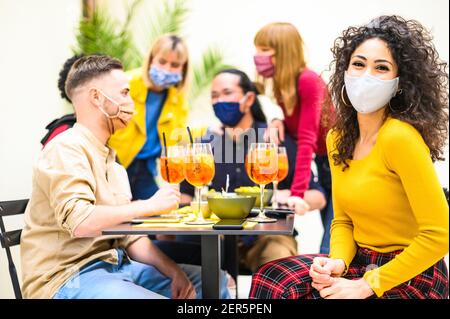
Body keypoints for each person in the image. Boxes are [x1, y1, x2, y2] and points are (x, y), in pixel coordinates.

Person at [249, 15, 449, 299]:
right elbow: (343, 221)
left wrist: (367, 285)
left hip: (411, 273)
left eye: (381, 68)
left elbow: (440, 235)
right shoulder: (337, 139)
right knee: (272, 278)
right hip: (360, 263)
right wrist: (337, 262)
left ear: (399, 83)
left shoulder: (400, 138)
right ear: (345, 71)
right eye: (358, 64)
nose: (366, 75)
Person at [20, 55, 230, 299]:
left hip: (117, 266)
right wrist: (147, 206)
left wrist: (173, 272)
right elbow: (80, 222)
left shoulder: (113, 161)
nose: (132, 103)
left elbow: (128, 236)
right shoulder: (65, 148)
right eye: (124, 93)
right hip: (68, 277)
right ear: (97, 98)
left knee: (212, 281)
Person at [177, 69, 327, 272]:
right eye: (214, 96)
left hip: (265, 239)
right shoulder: (205, 145)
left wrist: (285, 195)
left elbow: (319, 196)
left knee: (278, 256)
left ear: (248, 99)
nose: (219, 100)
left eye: (227, 93)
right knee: (181, 256)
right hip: (214, 240)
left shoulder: (274, 138)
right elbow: (186, 196)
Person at [253, 22, 335, 253]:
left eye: (264, 50)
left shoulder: (308, 81)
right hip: (324, 164)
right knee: (332, 241)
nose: (257, 56)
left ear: (283, 52)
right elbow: (297, 128)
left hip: (341, 163)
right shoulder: (284, 86)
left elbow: (307, 140)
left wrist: (297, 194)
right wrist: (278, 121)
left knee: (332, 245)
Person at [108, 34, 197, 201]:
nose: (167, 69)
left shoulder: (178, 100)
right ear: (151, 60)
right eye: (162, 62)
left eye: (175, 65)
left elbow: (173, 143)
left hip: (145, 169)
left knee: (158, 215)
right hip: (114, 165)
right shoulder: (125, 84)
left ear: (183, 69)